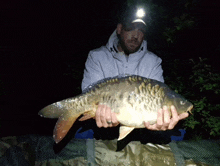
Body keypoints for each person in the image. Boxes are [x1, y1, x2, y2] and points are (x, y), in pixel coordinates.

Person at [80, 6, 189, 142]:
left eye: (141, 30)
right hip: (99, 125)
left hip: (142, 131)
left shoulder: (153, 61)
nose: (136, 35)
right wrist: (97, 114)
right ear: (119, 29)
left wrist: (160, 122)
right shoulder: (97, 57)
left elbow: (158, 98)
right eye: (130, 28)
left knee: (175, 136)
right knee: (80, 134)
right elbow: (88, 95)